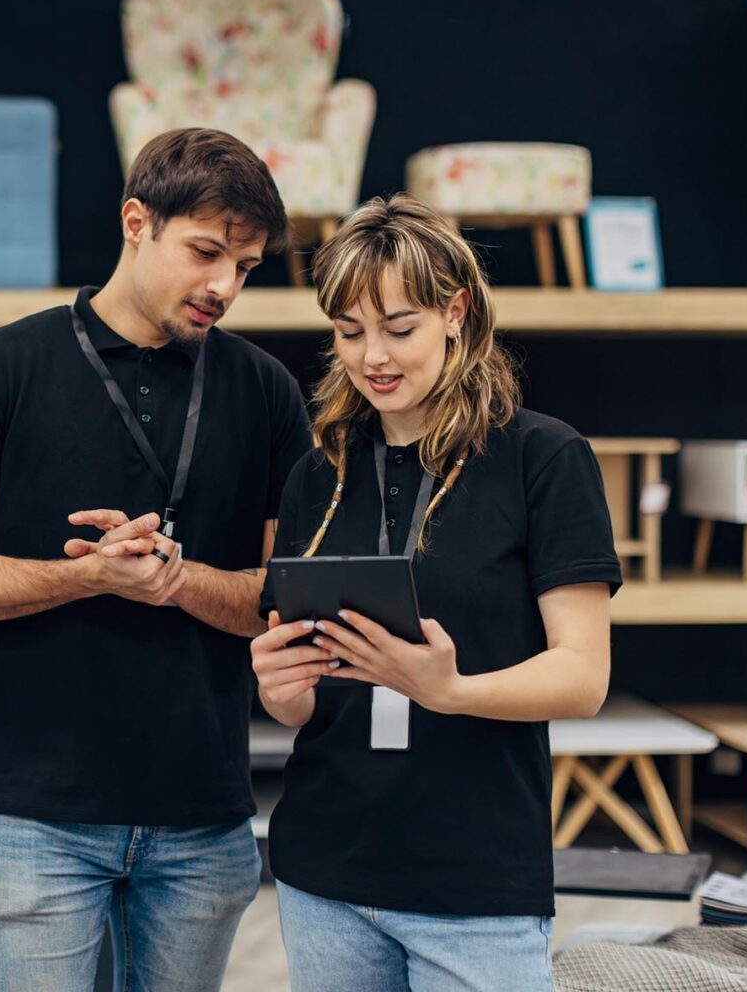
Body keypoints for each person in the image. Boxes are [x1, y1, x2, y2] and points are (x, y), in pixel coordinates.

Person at [0, 127, 312, 991]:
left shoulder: (265, 389)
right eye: (204, 253)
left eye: (246, 266)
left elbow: (285, 597)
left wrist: (173, 581)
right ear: (134, 221)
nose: (224, 286)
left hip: (202, 814)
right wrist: (85, 576)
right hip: (34, 811)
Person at [253, 194, 621, 992]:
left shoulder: (542, 459)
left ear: (454, 312)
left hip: (475, 880)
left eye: (399, 327)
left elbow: (583, 676)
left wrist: (449, 690)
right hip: (325, 871)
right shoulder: (319, 472)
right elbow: (309, 701)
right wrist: (280, 692)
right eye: (349, 333)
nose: (371, 356)